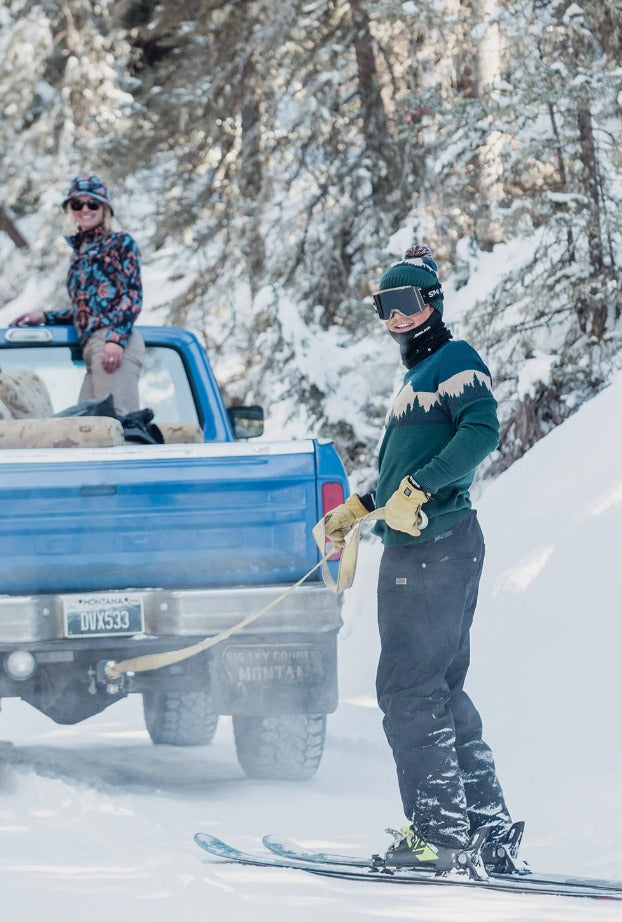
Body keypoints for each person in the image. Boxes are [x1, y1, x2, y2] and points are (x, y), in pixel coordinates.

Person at [321, 244, 519, 874]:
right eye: (385, 307)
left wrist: (423, 488)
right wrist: (362, 506)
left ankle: (439, 835)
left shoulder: (454, 359)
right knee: (438, 690)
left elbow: (482, 430)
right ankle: (485, 831)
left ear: (431, 302)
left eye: (406, 303)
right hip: (429, 546)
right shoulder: (418, 377)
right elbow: (404, 472)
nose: (396, 318)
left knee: (407, 690)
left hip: (433, 549)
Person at [12, 174, 145, 416]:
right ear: (70, 210)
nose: (85, 209)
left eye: (92, 203)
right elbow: (89, 309)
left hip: (113, 343)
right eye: (77, 204)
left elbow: (132, 296)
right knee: (86, 430)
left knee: (116, 425)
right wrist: (44, 316)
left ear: (104, 208)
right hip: (92, 347)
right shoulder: (79, 254)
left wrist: (116, 340)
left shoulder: (120, 243)